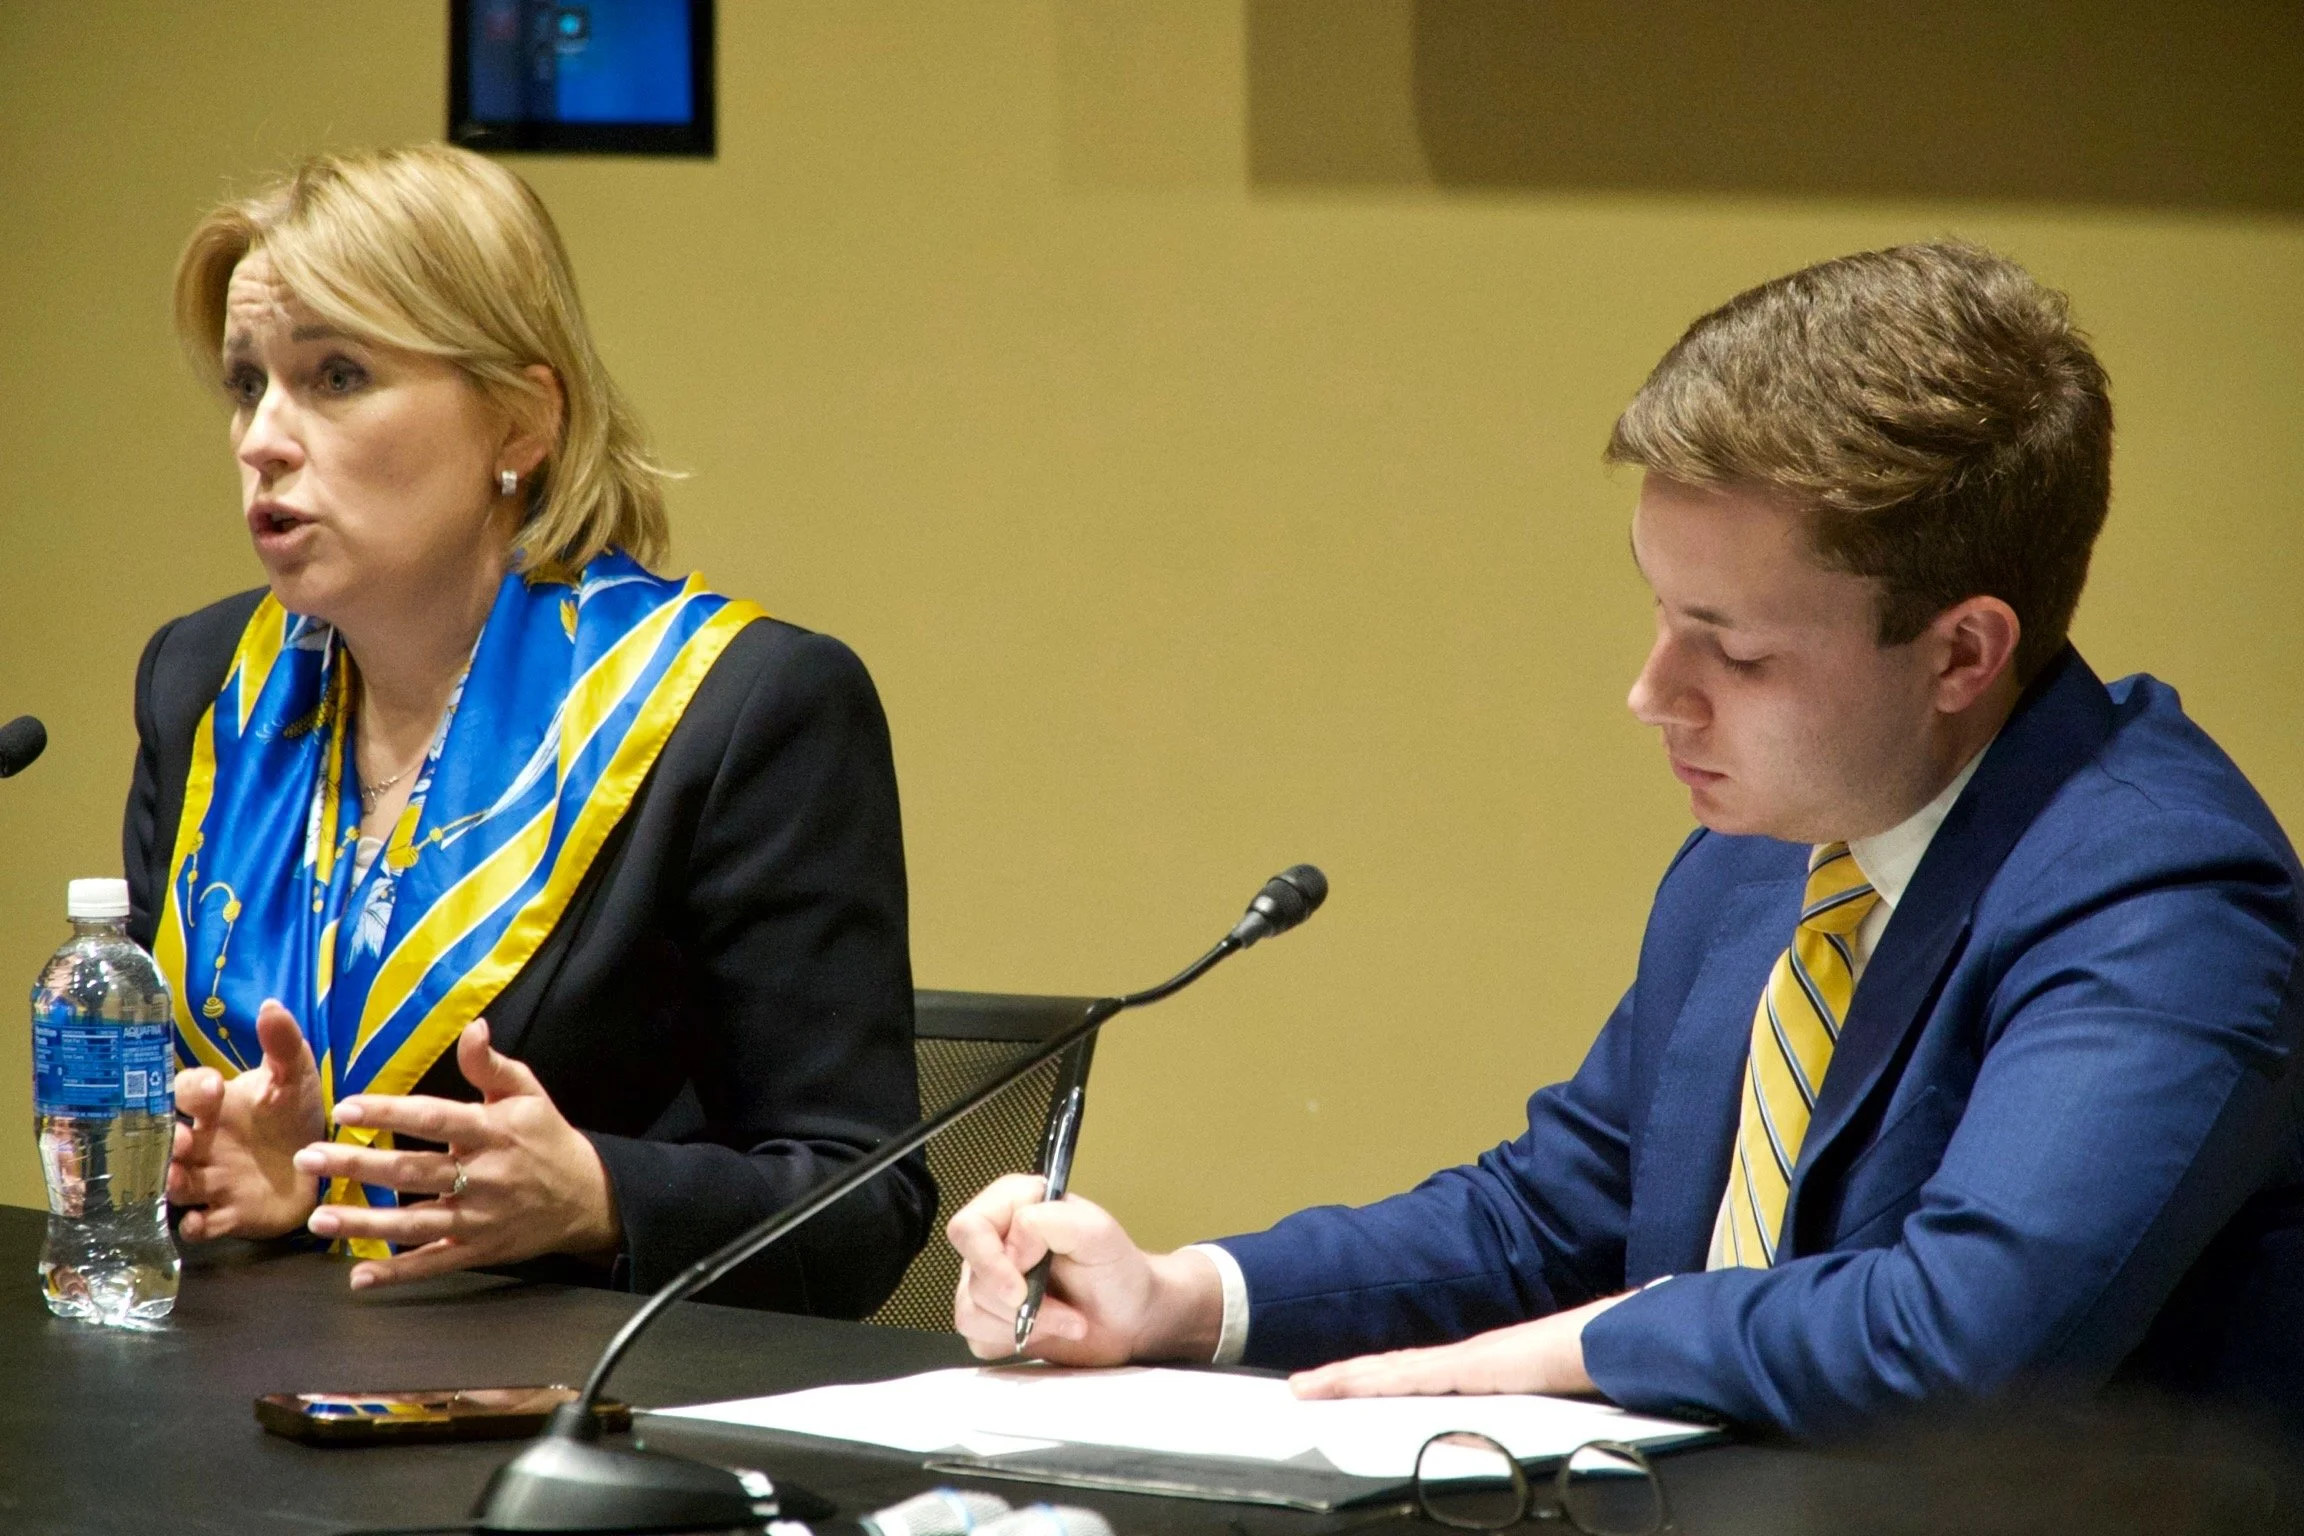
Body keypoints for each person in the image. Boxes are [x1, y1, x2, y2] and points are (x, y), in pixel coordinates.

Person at [948, 243, 2304, 1437]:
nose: (1654, 695)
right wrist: (1182, 1299)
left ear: (1963, 651)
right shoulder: (1774, 842)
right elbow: (1555, 1214)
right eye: (1662, 614)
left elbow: (1963, 1339)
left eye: (1737, 652)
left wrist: (1596, 1344)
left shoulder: (2163, 895)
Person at [129, 144, 932, 1314]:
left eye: (337, 375)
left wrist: (601, 1195)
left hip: (588, 1428)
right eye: (249, 383)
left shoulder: (737, 712)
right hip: (254, 1405)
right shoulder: (206, 688)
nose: (262, 438)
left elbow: (868, 1208)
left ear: (519, 423)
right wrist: (252, 1178)